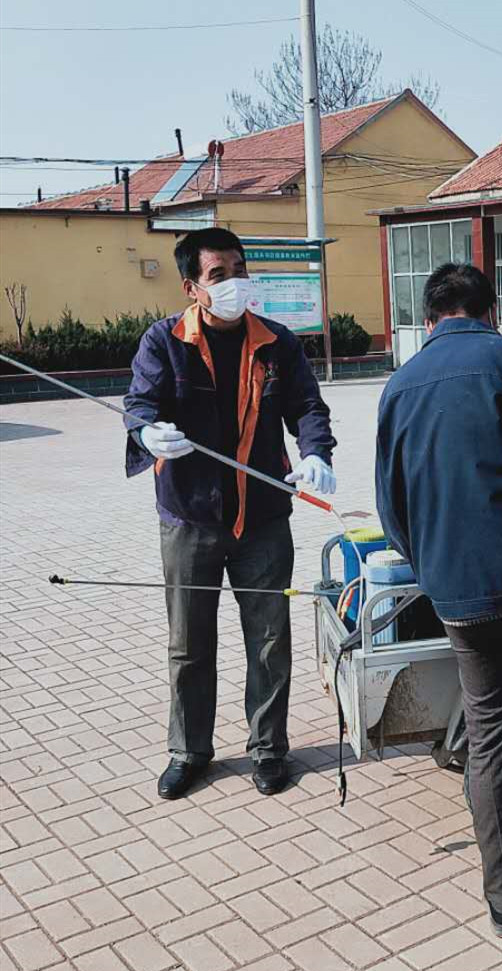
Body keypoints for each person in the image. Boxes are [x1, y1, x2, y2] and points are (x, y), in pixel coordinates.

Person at [124, 227, 336, 801]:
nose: (235, 283)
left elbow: (307, 406)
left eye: (240, 270)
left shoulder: (277, 343)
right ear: (193, 287)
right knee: (189, 642)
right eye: (220, 275)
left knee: (269, 639)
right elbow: (139, 402)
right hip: (190, 517)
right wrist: (147, 430)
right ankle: (188, 751)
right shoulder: (164, 342)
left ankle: (268, 749)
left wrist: (316, 453)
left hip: (263, 517)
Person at [375, 263, 502, 939]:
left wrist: (434, 570)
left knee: (493, 731)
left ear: (429, 320)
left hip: (457, 595)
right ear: (488, 313)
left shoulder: (399, 384)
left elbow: (393, 509)